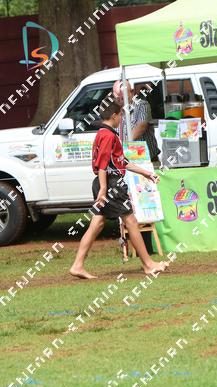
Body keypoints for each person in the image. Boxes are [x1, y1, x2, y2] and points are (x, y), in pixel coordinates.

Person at [69, 101, 167, 280]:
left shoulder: (102, 133)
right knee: (131, 221)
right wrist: (104, 189)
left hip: (103, 183)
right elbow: (103, 164)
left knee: (97, 223)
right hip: (111, 184)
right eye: (121, 115)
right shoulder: (108, 136)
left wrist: (146, 173)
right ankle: (148, 264)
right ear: (114, 115)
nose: (122, 119)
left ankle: (77, 265)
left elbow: (121, 161)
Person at [114, 80, 159, 162]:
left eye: (123, 97)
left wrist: (122, 146)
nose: (121, 100)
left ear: (132, 92)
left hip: (146, 159)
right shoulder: (115, 111)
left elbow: (141, 126)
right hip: (126, 160)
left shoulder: (142, 105)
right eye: (118, 97)